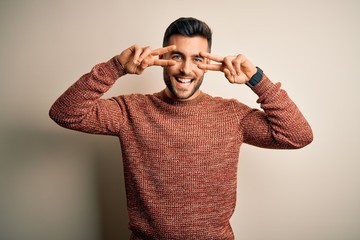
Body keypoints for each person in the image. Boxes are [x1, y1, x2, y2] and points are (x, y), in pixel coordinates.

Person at [49, 17, 313, 239]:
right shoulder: (130, 111)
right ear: (161, 57)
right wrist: (115, 67)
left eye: (198, 59)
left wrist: (257, 79)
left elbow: (297, 136)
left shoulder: (231, 115)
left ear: (209, 64)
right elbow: (65, 113)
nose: (186, 69)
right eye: (177, 56)